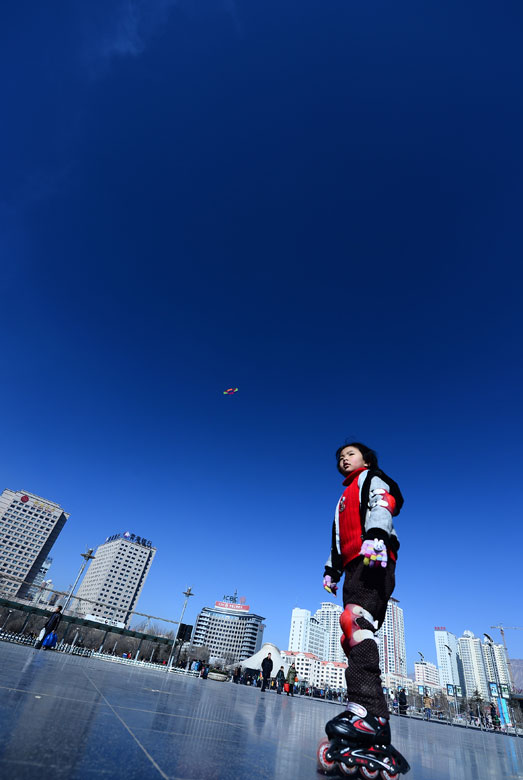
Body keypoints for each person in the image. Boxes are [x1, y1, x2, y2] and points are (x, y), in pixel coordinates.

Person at [317, 442, 409, 778]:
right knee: (350, 632)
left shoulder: (372, 479)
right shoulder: (343, 498)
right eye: (339, 456)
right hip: (354, 564)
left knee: (356, 621)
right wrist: (332, 569)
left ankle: (369, 714)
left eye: (350, 454)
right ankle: (367, 711)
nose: (343, 458)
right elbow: (338, 539)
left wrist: (376, 536)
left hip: (376, 558)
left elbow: (382, 505)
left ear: (366, 459)